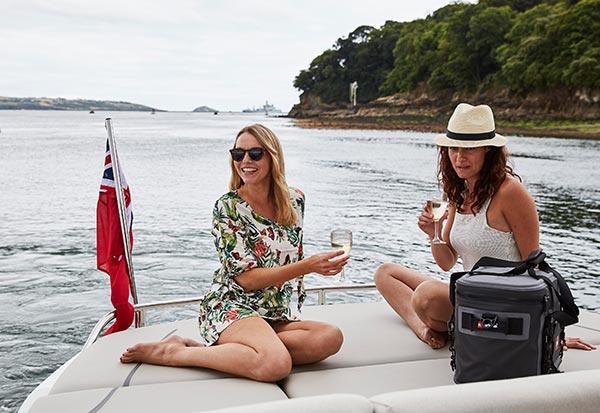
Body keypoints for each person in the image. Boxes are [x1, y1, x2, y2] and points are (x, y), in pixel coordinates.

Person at [121, 124, 348, 381]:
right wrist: (308, 266)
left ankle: (247, 349)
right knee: (276, 365)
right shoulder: (228, 207)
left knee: (330, 337)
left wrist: (321, 266)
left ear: (273, 156)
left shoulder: (296, 200)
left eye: (255, 154)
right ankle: (175, 353)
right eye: (238, 154)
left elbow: (287, 255)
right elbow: (246, 279)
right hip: (233, 306)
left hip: (274, 312)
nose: (245, 161)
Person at [374, 103, 596, 351]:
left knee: (426, 295)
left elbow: (535, 269)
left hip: (501, 306)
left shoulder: (511, 193)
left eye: (470, 149)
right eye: (454, 148)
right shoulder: (459, 191)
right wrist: (433, 233)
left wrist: (549, 334)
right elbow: (447, 262)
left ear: (488, 151)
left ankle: (440, 328)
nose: (459, 157)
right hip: (469, 293)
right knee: (386, 273)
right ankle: (424, 328)